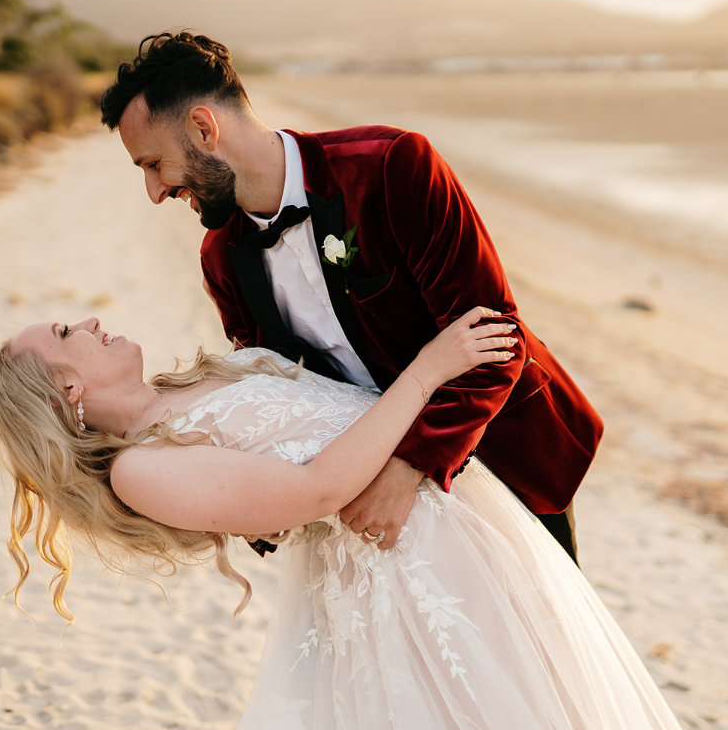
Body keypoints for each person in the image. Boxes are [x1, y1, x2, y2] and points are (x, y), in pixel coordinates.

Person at [0, 311, 713, 730]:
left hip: (460, 530)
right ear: (69, 386)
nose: (87, 322)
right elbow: (317, 490)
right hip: (404, 573)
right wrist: (429, 370)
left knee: (558, 725)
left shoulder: (190, 381)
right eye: (63, 334)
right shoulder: (140, 469)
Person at [97, 32, 603, 561]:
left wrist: (409, 465)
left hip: (503, 452)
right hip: (369, 505)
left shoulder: (391, 166)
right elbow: (274, 386)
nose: (155, 193)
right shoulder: (221, 257)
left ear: (204, 129)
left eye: (154, 165)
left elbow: (494, 334)